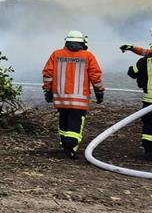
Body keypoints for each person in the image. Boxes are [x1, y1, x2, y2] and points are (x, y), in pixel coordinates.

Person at [42, 31, 105, 159]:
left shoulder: (56, 54)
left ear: (67, 41)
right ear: (82, 42)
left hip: (61, 97)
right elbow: (95, 76)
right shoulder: (88, 56)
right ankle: (70, 148)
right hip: (79, 99)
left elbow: (47, 74)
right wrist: (99, 92)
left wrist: (48, 91)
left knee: (63, 120)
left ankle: (65, 145)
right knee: (75, 123)